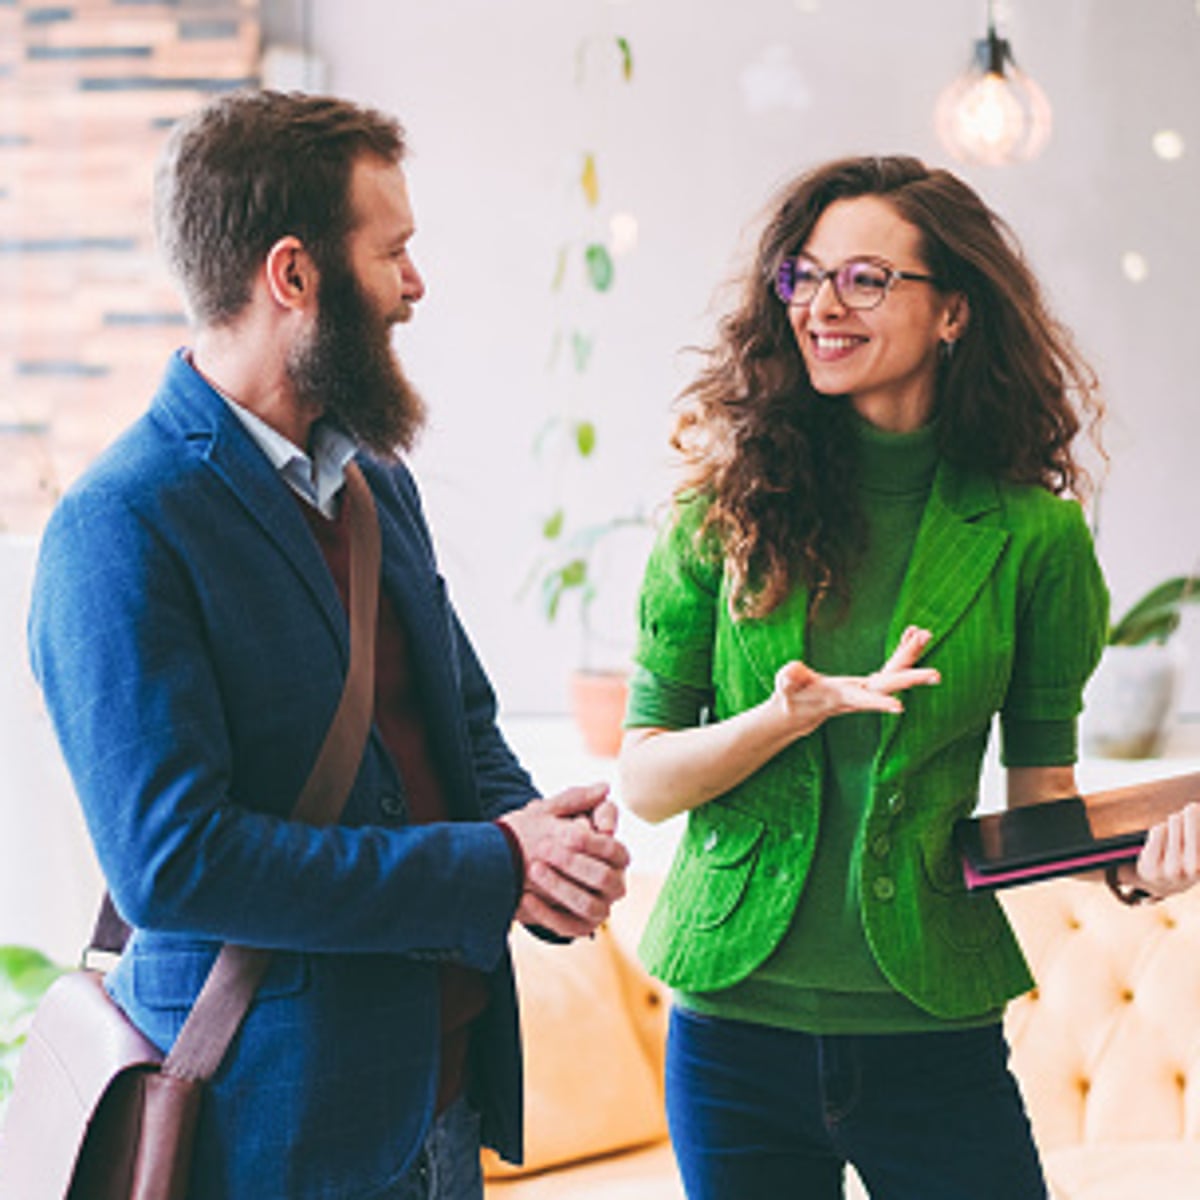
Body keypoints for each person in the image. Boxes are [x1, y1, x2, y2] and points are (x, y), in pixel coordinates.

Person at [28, 89, 628, 1200]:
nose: (415, 286)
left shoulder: (376, 485)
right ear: (294, 276)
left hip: (444, 1107)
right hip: (277, 1137)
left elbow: (462, 727)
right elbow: (174, 863)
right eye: (393, 250)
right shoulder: (118, 527)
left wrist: (546, 857)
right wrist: (492, 864)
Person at [618, 154, 1200, 1199]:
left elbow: (1040, 801)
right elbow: (646, 780)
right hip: (733, 1034)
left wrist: (1127, 868)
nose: (823, 306)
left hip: (931, 1028)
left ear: (954, 315)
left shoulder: (1034, 537)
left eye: (867, 279)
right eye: (804, 276)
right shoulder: (721, 513)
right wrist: (779, 719)